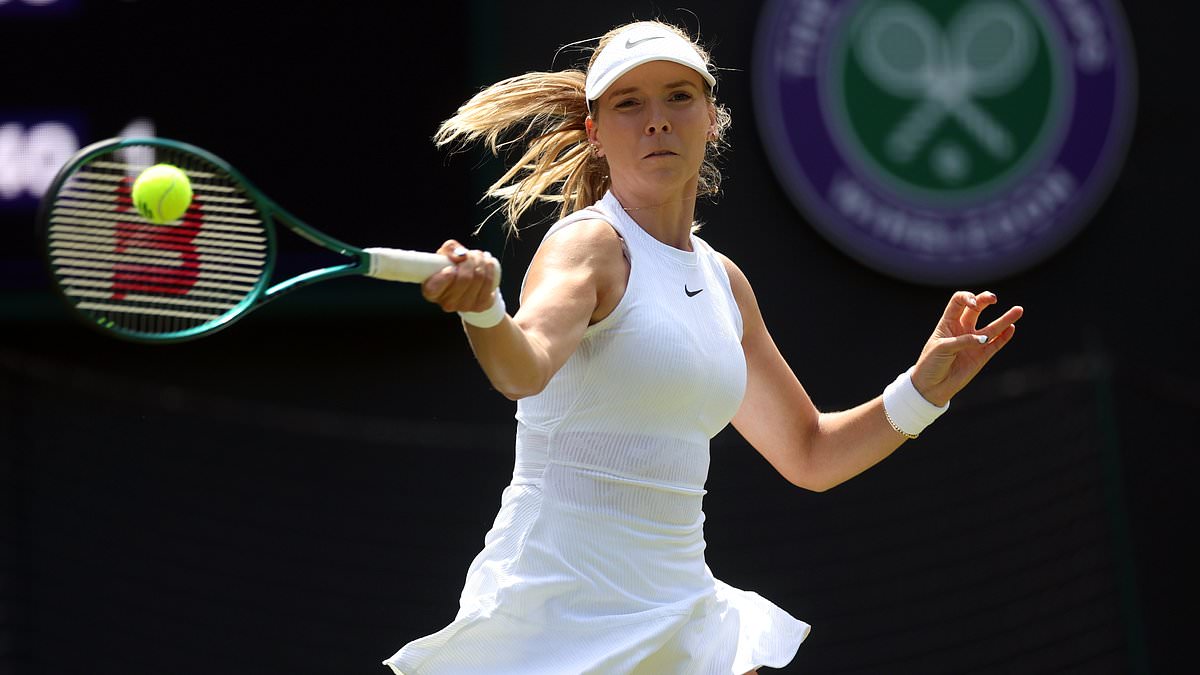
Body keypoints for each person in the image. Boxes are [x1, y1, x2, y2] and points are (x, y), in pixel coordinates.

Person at [383, 19, 1022, 675]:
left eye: (678, 96)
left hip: (682, 613)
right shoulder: (590, 246)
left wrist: (924, 389)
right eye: (629, 103)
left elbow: (811, 452)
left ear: (712, 117)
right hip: (556, 618)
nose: (656, 119)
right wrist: (487, 312)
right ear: (596, 133)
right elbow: (525, 366)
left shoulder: (723, 282)